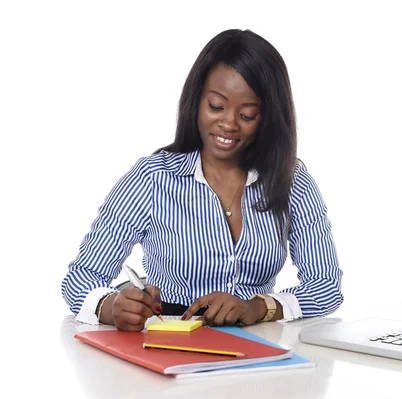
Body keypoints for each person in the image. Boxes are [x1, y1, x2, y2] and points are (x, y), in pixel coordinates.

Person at [61, 29, 343, 332]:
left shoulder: (292, 181)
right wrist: (110, 307)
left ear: (268, 117)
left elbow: (325, 287)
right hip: (171, 343)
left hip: (258, 353)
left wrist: (257, 307)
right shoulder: (152, 179)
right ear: (196, 101)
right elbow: (81, 278)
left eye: (247, 114)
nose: (228, 123)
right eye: (216, 106)